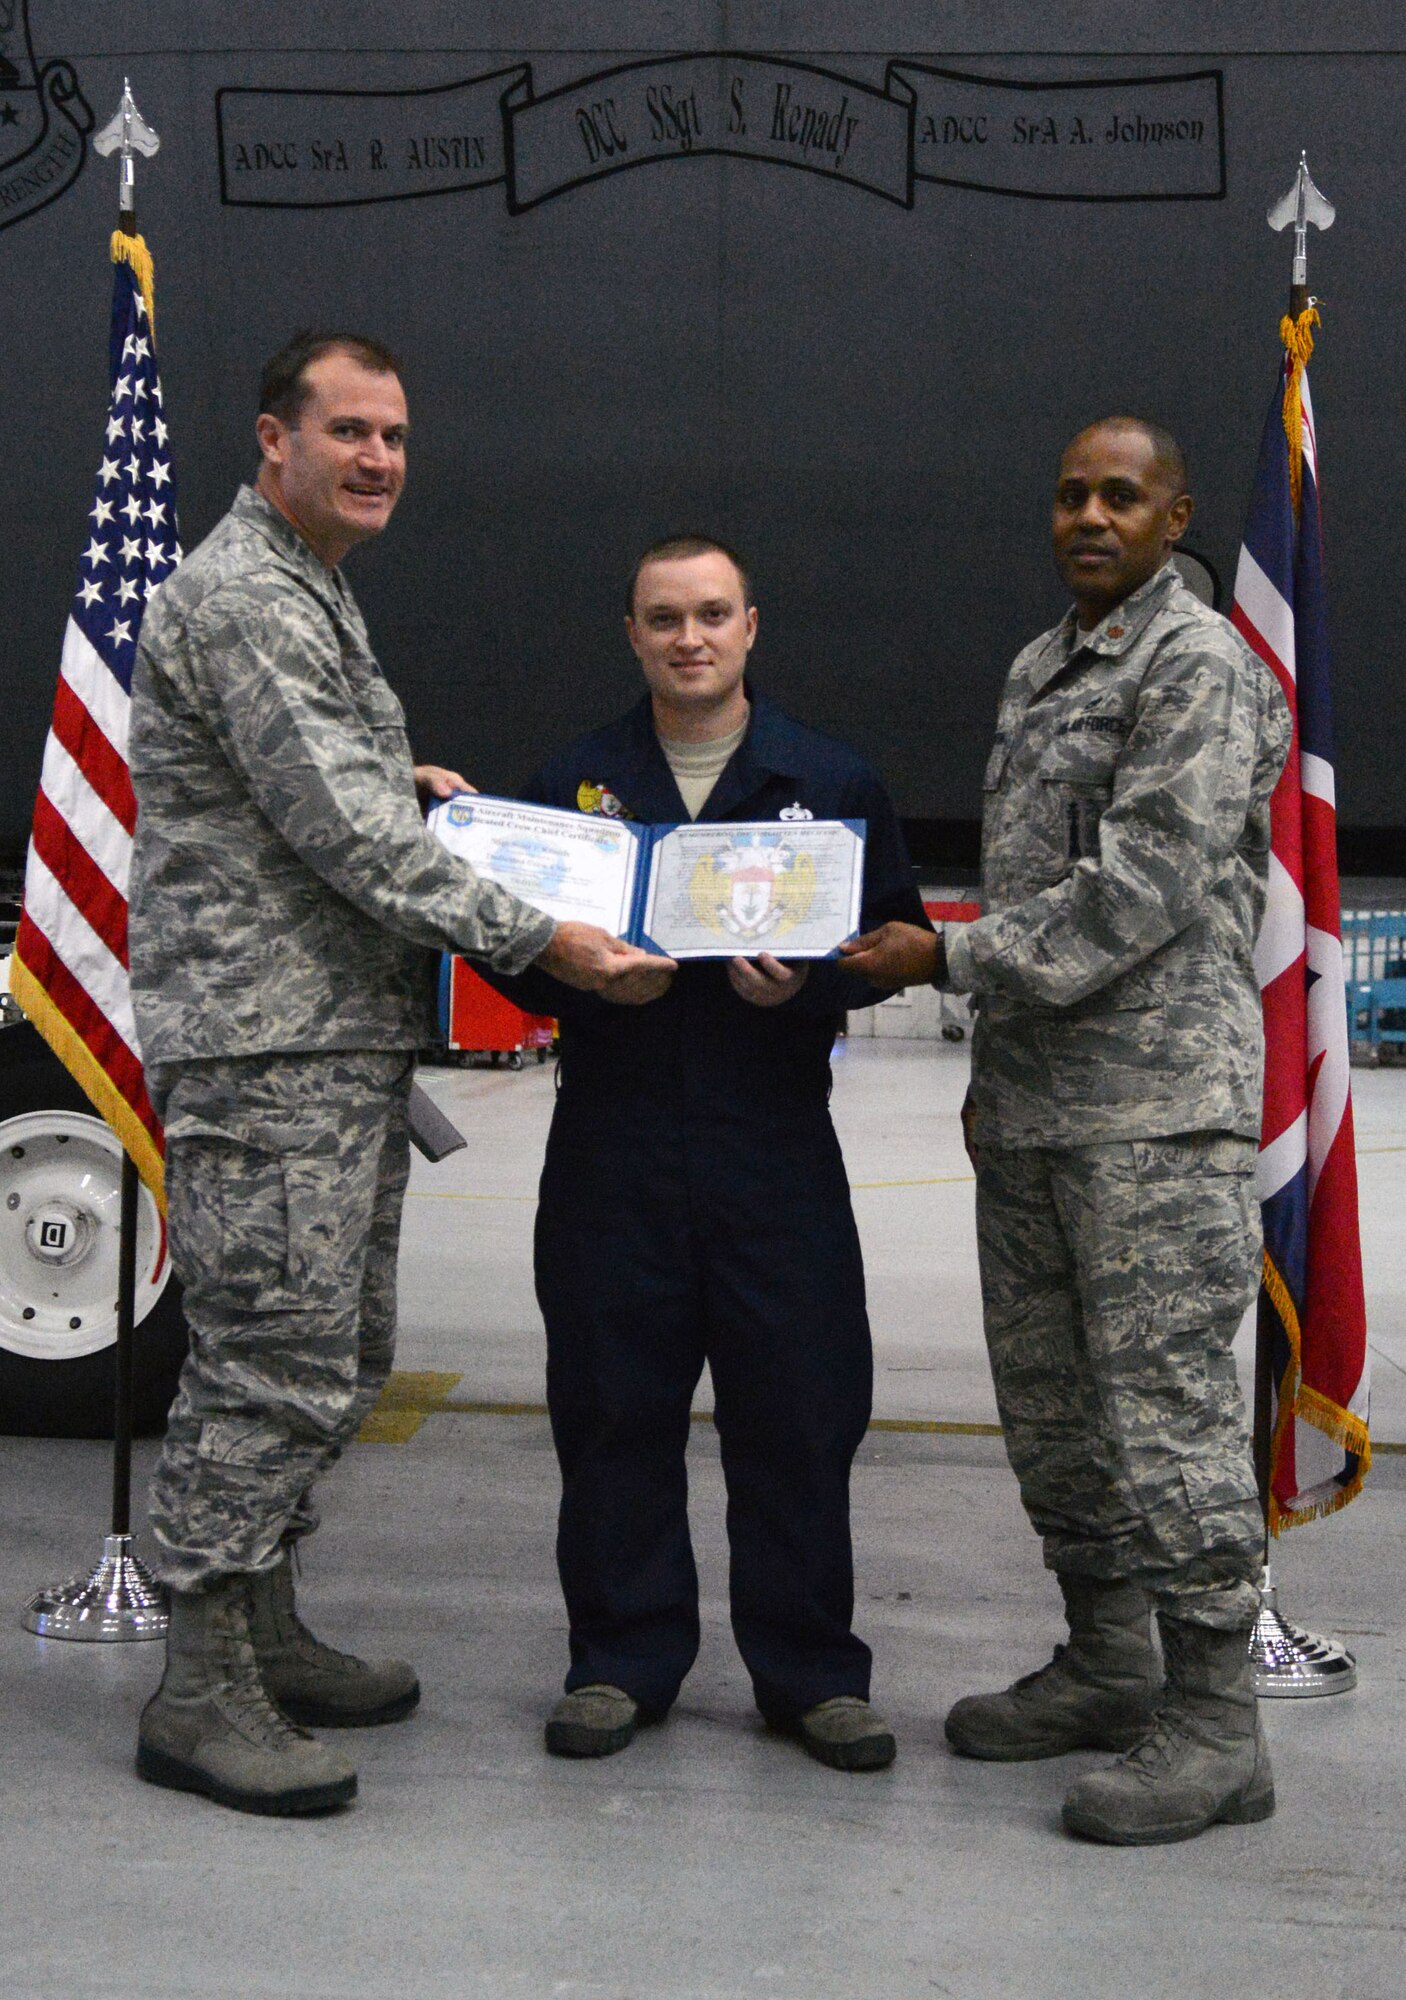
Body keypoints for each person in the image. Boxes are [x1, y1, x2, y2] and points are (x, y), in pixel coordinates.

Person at [126, 331, 673, 1816]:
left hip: (325, 1040)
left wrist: (412, 782)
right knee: (266, 1363)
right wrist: (540, 939)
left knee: (336, 1352)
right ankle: (198, 1684)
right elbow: (343, 838)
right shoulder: (246, 596)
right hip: (267, 1046)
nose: (378, 459)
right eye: (349, 431)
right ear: (273, 440)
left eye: (396, 437)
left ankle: (262, 1624)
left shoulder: (311, 592)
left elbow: (343, 800)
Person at [842, 418, 1292, 1843]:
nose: (1088, 516)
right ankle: (1107, 1664)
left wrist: (945, 961)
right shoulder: (1043, 667)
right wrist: (986, 1072)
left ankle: (1216, 1722)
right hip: (1036, 1112)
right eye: (1068, 494)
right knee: (1053, 1417)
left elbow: (1143, 886)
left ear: (1174, 517)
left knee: (1165, 1418)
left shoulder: (1195, 665)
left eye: (1121, 495)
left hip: (1156, 1115)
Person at [491, 535, 930, 1769]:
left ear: (750, 627)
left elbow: (887, 939)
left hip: (773, 1145)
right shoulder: (573, 783)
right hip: (611, 1147)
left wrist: (799, 989)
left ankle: (810, 1673)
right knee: (611, 1405)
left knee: (798, 1411)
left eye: (712, 615)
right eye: (663, 618)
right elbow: (501, 938)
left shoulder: (830, 780)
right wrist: (572, 976)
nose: (689, 637)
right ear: (630, 634)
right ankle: (620, 1658)